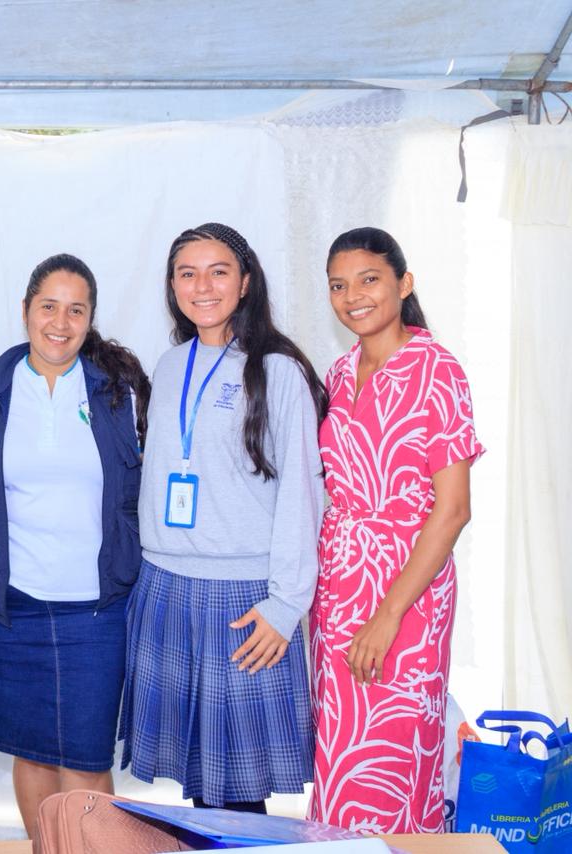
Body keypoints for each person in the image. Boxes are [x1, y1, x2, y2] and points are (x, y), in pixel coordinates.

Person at [119, 222, 328, 812]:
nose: (202, 286)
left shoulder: (277, 371)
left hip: (241, 597)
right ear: (172, 286)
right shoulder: (168, 366)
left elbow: (303, 493)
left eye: (218, 272)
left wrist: (287, 603)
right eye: (187, 274)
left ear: (245, 282)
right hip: (165, 586)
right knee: (198, 781)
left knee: (237, 790)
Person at [0, 254, 149, 838]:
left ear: (90, 319)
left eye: (76, 310)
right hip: (10, 608)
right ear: (25, 311)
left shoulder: (118, 396)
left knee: (88, 763)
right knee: (34, 753)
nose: (60, 323)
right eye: (48, 306)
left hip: (95, 609)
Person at [308, 227, 482, 833]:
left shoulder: (437, 370)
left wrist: (388, 615)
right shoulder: (338, 372)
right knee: (339, 754)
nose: (352, 296)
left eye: (369, 279)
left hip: (407, 593)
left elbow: (452, 509)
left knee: (394, 756)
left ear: (404, 284)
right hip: (339, 589)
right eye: (338, 285)